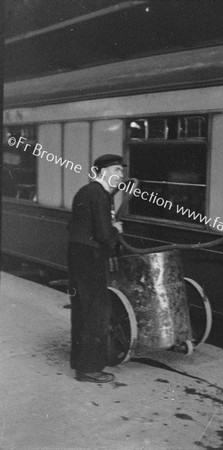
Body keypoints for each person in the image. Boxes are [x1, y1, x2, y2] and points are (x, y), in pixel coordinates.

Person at [68, 154, 125, 383]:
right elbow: (103, 234)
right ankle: (90, 369)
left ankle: (79, 361)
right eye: (117, 170)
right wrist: (116, 230)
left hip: (77, 255)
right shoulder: (101, 195)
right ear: (102, 172)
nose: (121, 175)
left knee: (81, 310)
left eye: (122, 171)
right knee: (97, 313)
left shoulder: (85, 191)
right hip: (91, 258)